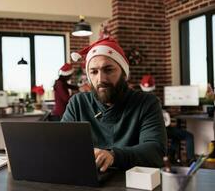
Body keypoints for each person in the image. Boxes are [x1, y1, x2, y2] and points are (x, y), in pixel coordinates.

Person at [62, 37, 167, 171]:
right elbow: (63, 145)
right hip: (88, 183)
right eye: (94, 72)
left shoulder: (147, 103)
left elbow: (155, 151)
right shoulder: (78, 103)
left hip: (134, 184)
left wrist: (113, 156)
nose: (101, 79)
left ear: (124, 73)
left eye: (109, 70)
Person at [139, 74, 195, 165]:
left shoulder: (139, 100)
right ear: (153, 86)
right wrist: (169, 122)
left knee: (176, 136)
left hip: (150, 131)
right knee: (188, 136)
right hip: (160, 130)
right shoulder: (154, 100)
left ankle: (172, 158)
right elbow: (162, 120)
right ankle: (191, 160)